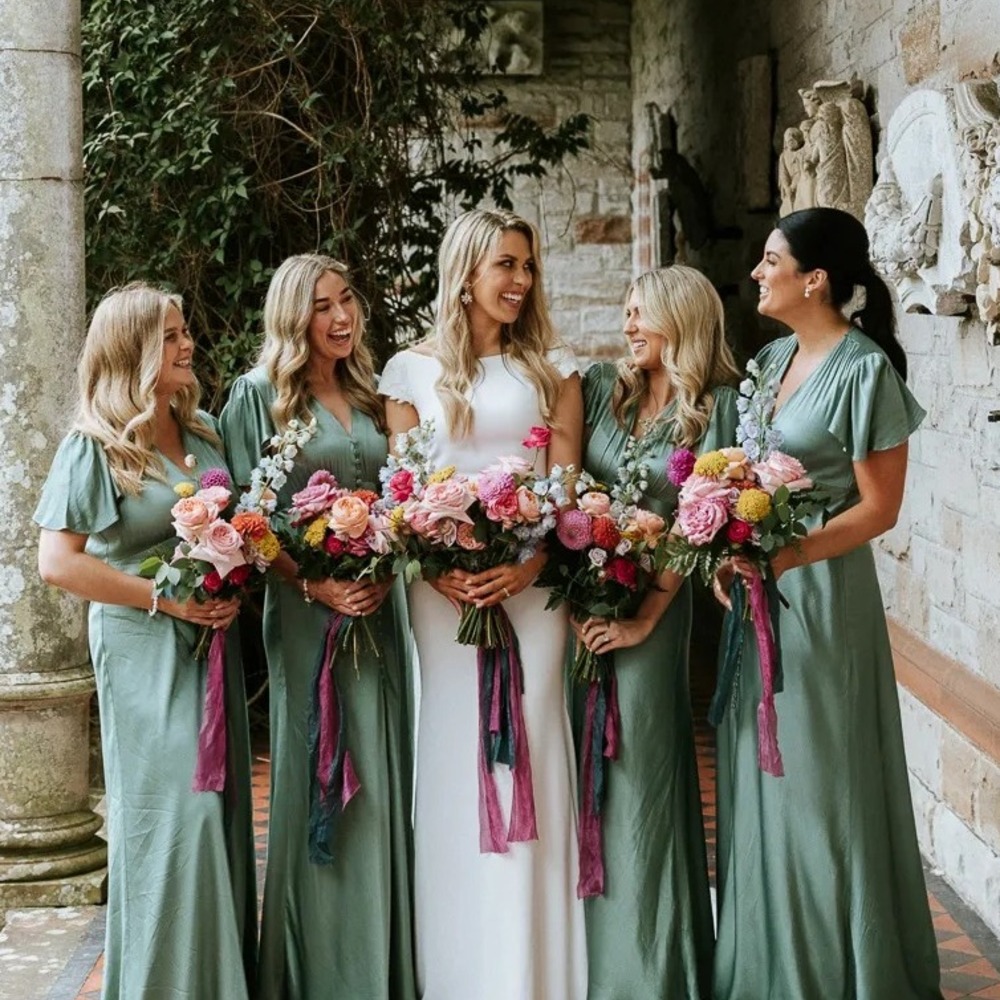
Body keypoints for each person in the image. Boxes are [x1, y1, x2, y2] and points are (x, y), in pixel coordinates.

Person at [712, 207, 942, 999]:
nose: (757, 272)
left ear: (814, 278)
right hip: (757, 587)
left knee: (818, 781)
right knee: (760, 774)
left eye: (770, 259)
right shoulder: (770, 359)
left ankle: (838, 974)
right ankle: (768, 970)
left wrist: (788, 552)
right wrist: (727, 549)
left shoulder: (866, 368)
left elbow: (880, 508)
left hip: (823, 591)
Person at [379, 208, 586, 1000]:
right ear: (465, 272)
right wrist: (439, 573)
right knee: (452, 752)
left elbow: (565, 489)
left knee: (529, 747)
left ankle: (529, 969)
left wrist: (530, 568)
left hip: (531, 596)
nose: (520, 281)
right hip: (441, 602)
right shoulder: (409, 373)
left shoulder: (553, 370)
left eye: (527, 267)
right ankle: (459, 969)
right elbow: (401, 496)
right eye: (506, 264)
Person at [34, 283, 256, 999]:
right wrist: (166, 599)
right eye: (170, 334)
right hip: (141, 648)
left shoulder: (205, 436)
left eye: (185, 329)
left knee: (218, 815)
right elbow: (58, 562)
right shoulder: (94, 447)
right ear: (132, 350)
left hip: (210, 648)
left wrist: (233, 580)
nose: (187, 343)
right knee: (174, 820)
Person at [220, 254, 416, 1000]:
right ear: (292, 318)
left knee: (382, 765)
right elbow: (247, 519)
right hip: (307, 616)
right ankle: (319, 971)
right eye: (322, 306)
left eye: (347, 301)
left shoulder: (370, 395)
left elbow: (401, 492)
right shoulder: (257, 398)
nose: (341, 318)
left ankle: (382, 966)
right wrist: (312, 582)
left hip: (379, 613)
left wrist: (387, 556)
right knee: (320, 770)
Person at [573, 265, 740, 999]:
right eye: (626, 312)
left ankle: (650, 974)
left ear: (683, 321)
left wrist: (644, 617)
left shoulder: (716, 411)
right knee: (583, 780)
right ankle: (584, 964)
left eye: (642, 315)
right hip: (581, 608)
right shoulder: (602, 391)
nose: (628, 326)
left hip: (654, 617)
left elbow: (698, 521)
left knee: (640, 779)